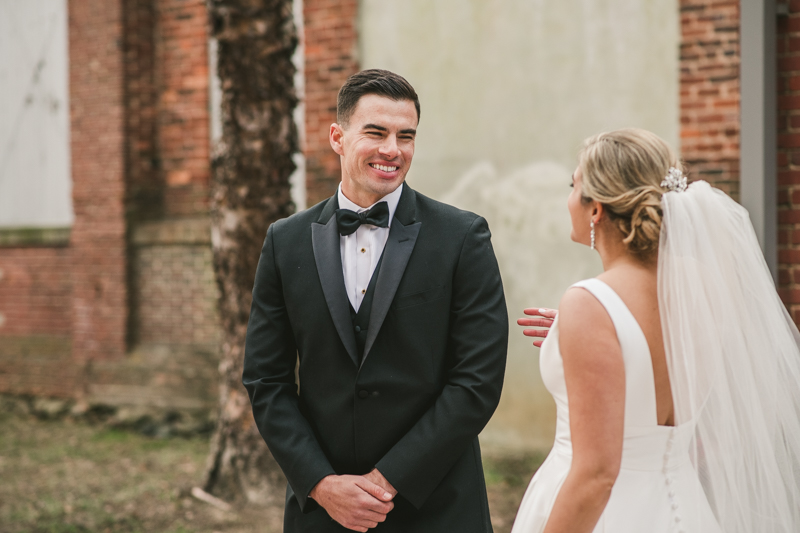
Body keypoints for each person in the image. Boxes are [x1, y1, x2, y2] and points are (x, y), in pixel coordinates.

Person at [242, 69, 508, 533]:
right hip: (323, 512)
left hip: (438, 507)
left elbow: (476, 382)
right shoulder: (284, 242)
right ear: (337, 137)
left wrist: (387, 481)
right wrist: (322, 484)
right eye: (376, 132)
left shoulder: (463, 236)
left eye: (406, 136)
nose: (393, 150)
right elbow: (267, 380)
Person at [512, 128, 800, 533]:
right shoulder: (701, 289)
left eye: (573, 186)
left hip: (607, 516)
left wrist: (588, 320)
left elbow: (597, 475)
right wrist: (575, 337)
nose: (569, 200)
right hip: (685, 508)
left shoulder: (589, 302)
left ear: (596, 209)